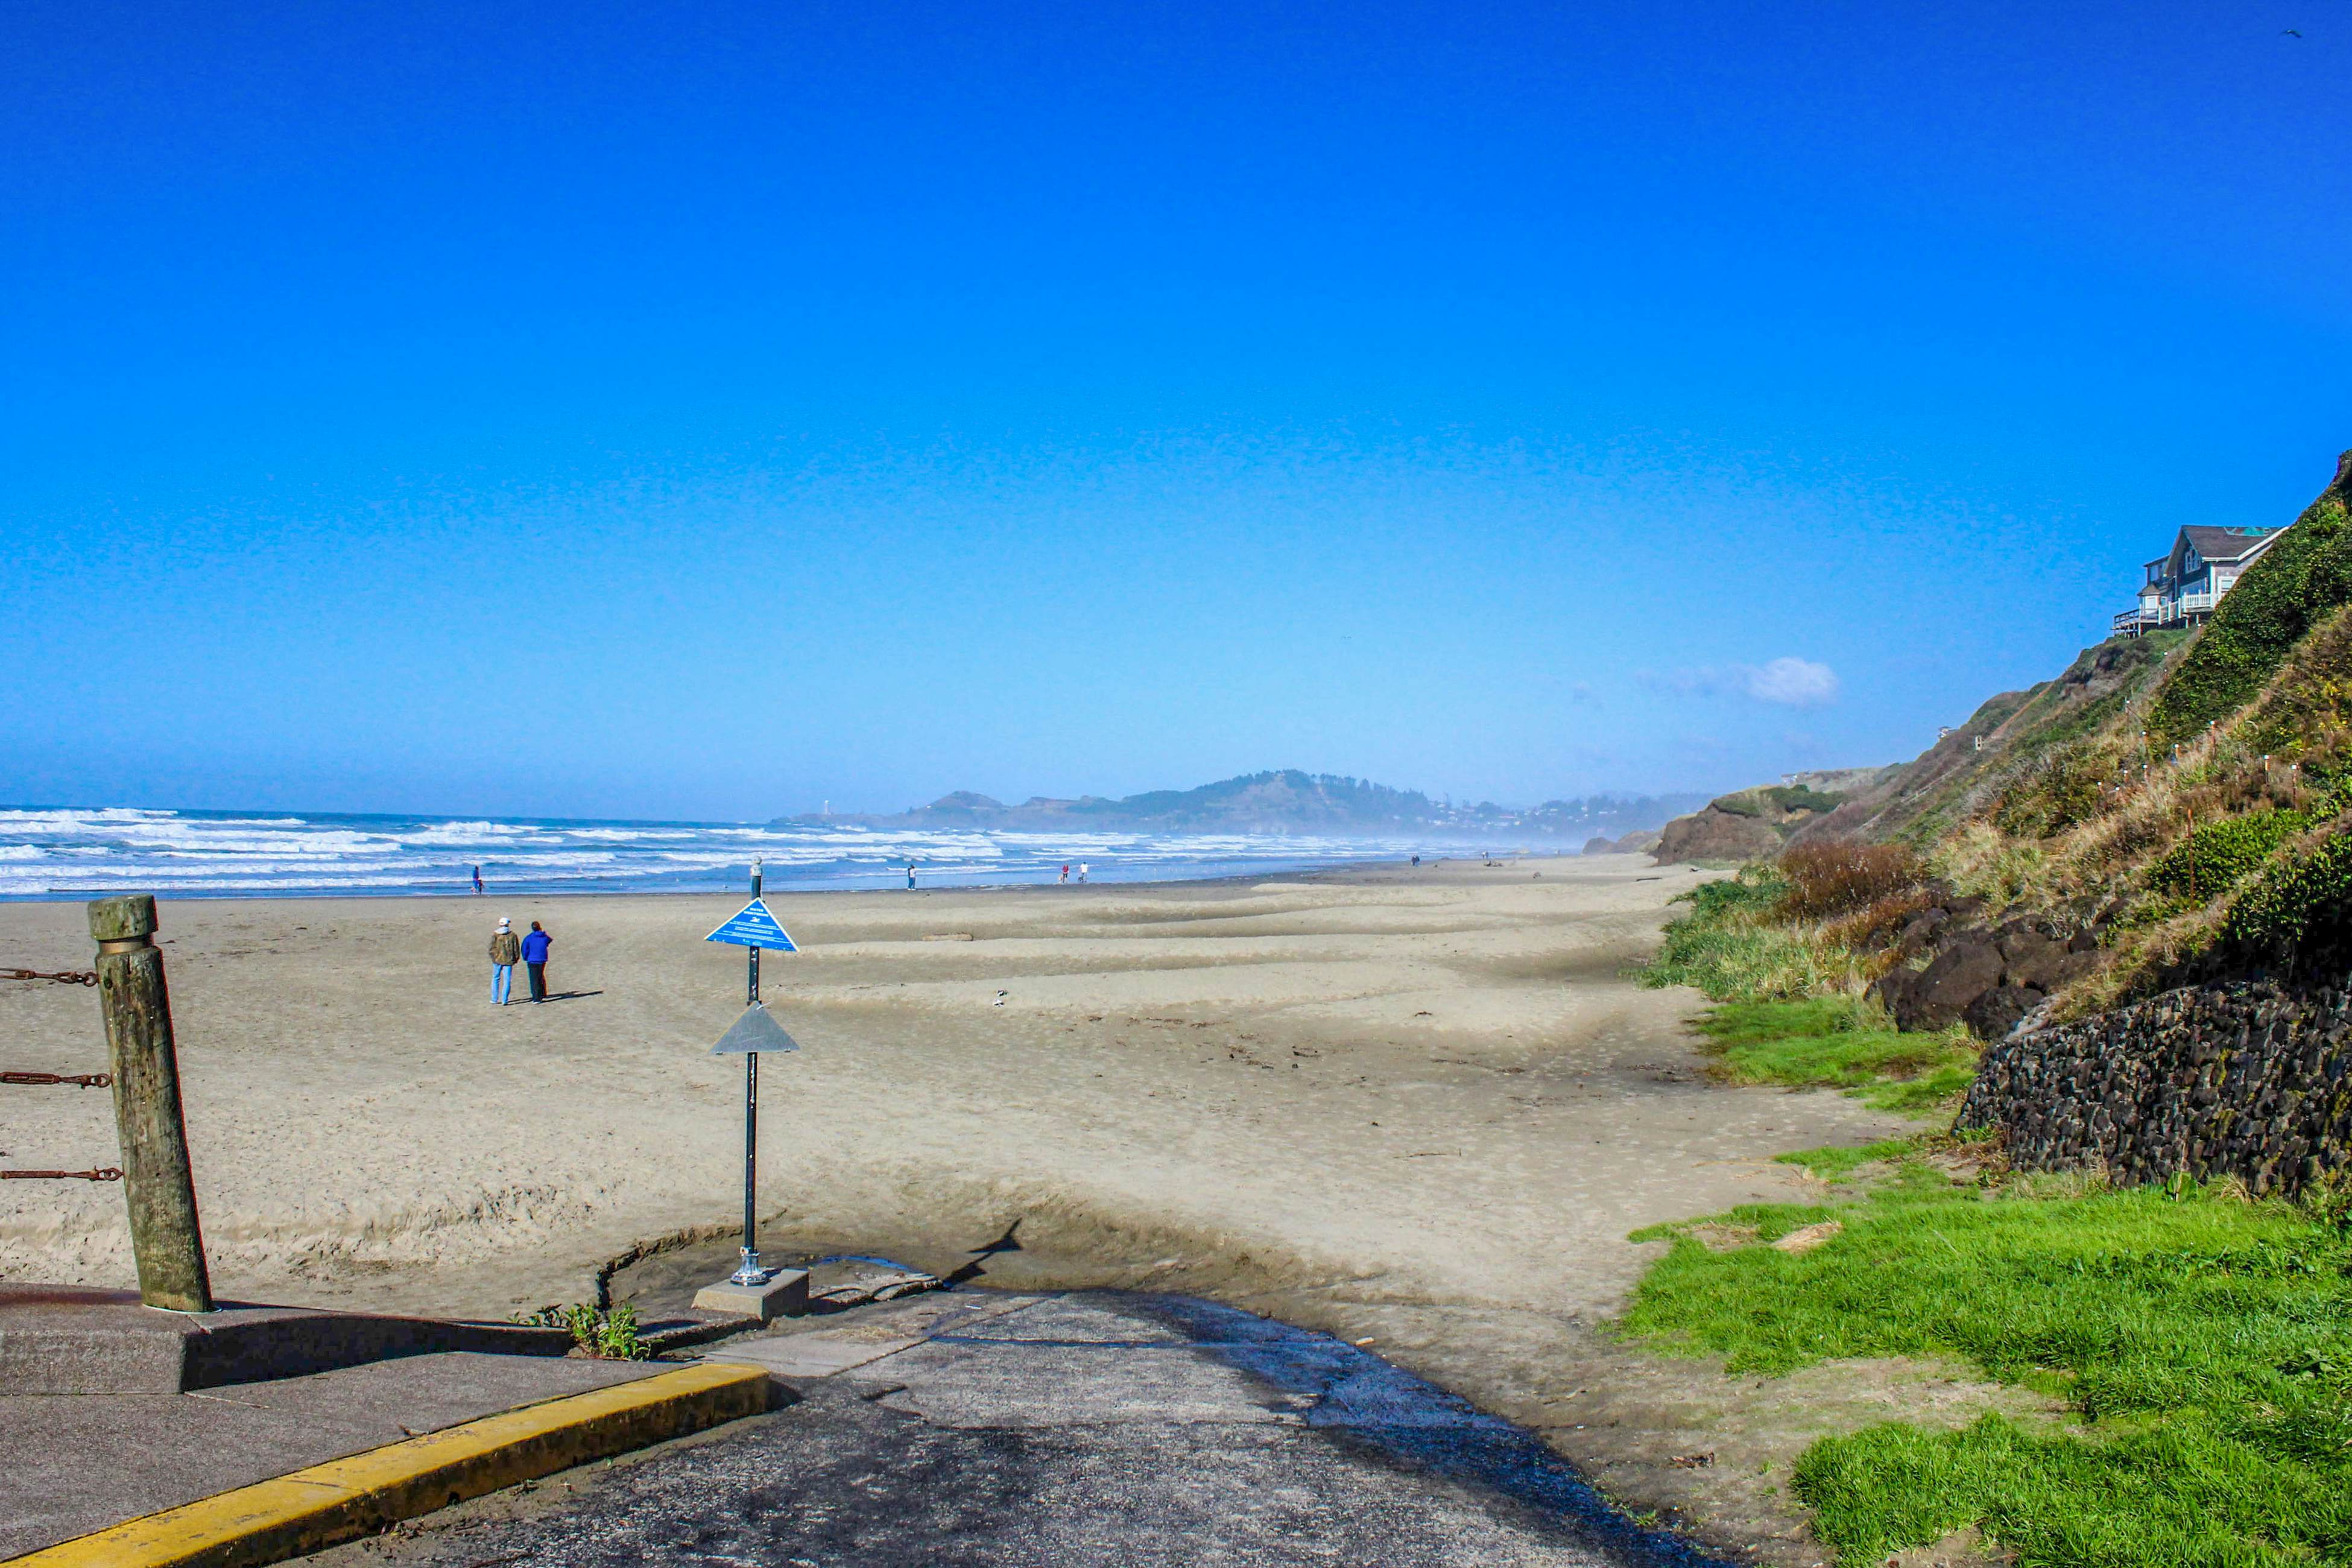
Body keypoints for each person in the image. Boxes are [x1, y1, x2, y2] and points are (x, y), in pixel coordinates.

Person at [489, 917, 519, 1006]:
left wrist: (494, 958)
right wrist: (516, 959)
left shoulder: (495, 934)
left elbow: (491, 948)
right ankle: (505, 1000)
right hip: (508, 961)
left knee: (496, 979)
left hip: (497, 960)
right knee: (507, 980)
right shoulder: (513, 935)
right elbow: (516, 948)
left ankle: (494, 999)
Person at [521, 920, 552, 1002]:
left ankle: (536, 998)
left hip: (532, 960)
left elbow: (524, 949)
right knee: (540, 976)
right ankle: (542, 993)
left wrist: (526, 957)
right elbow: (549, 940)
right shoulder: (544, 937)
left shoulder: (529, 938)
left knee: (534, 979)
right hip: (542, 959)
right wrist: (544, 933)